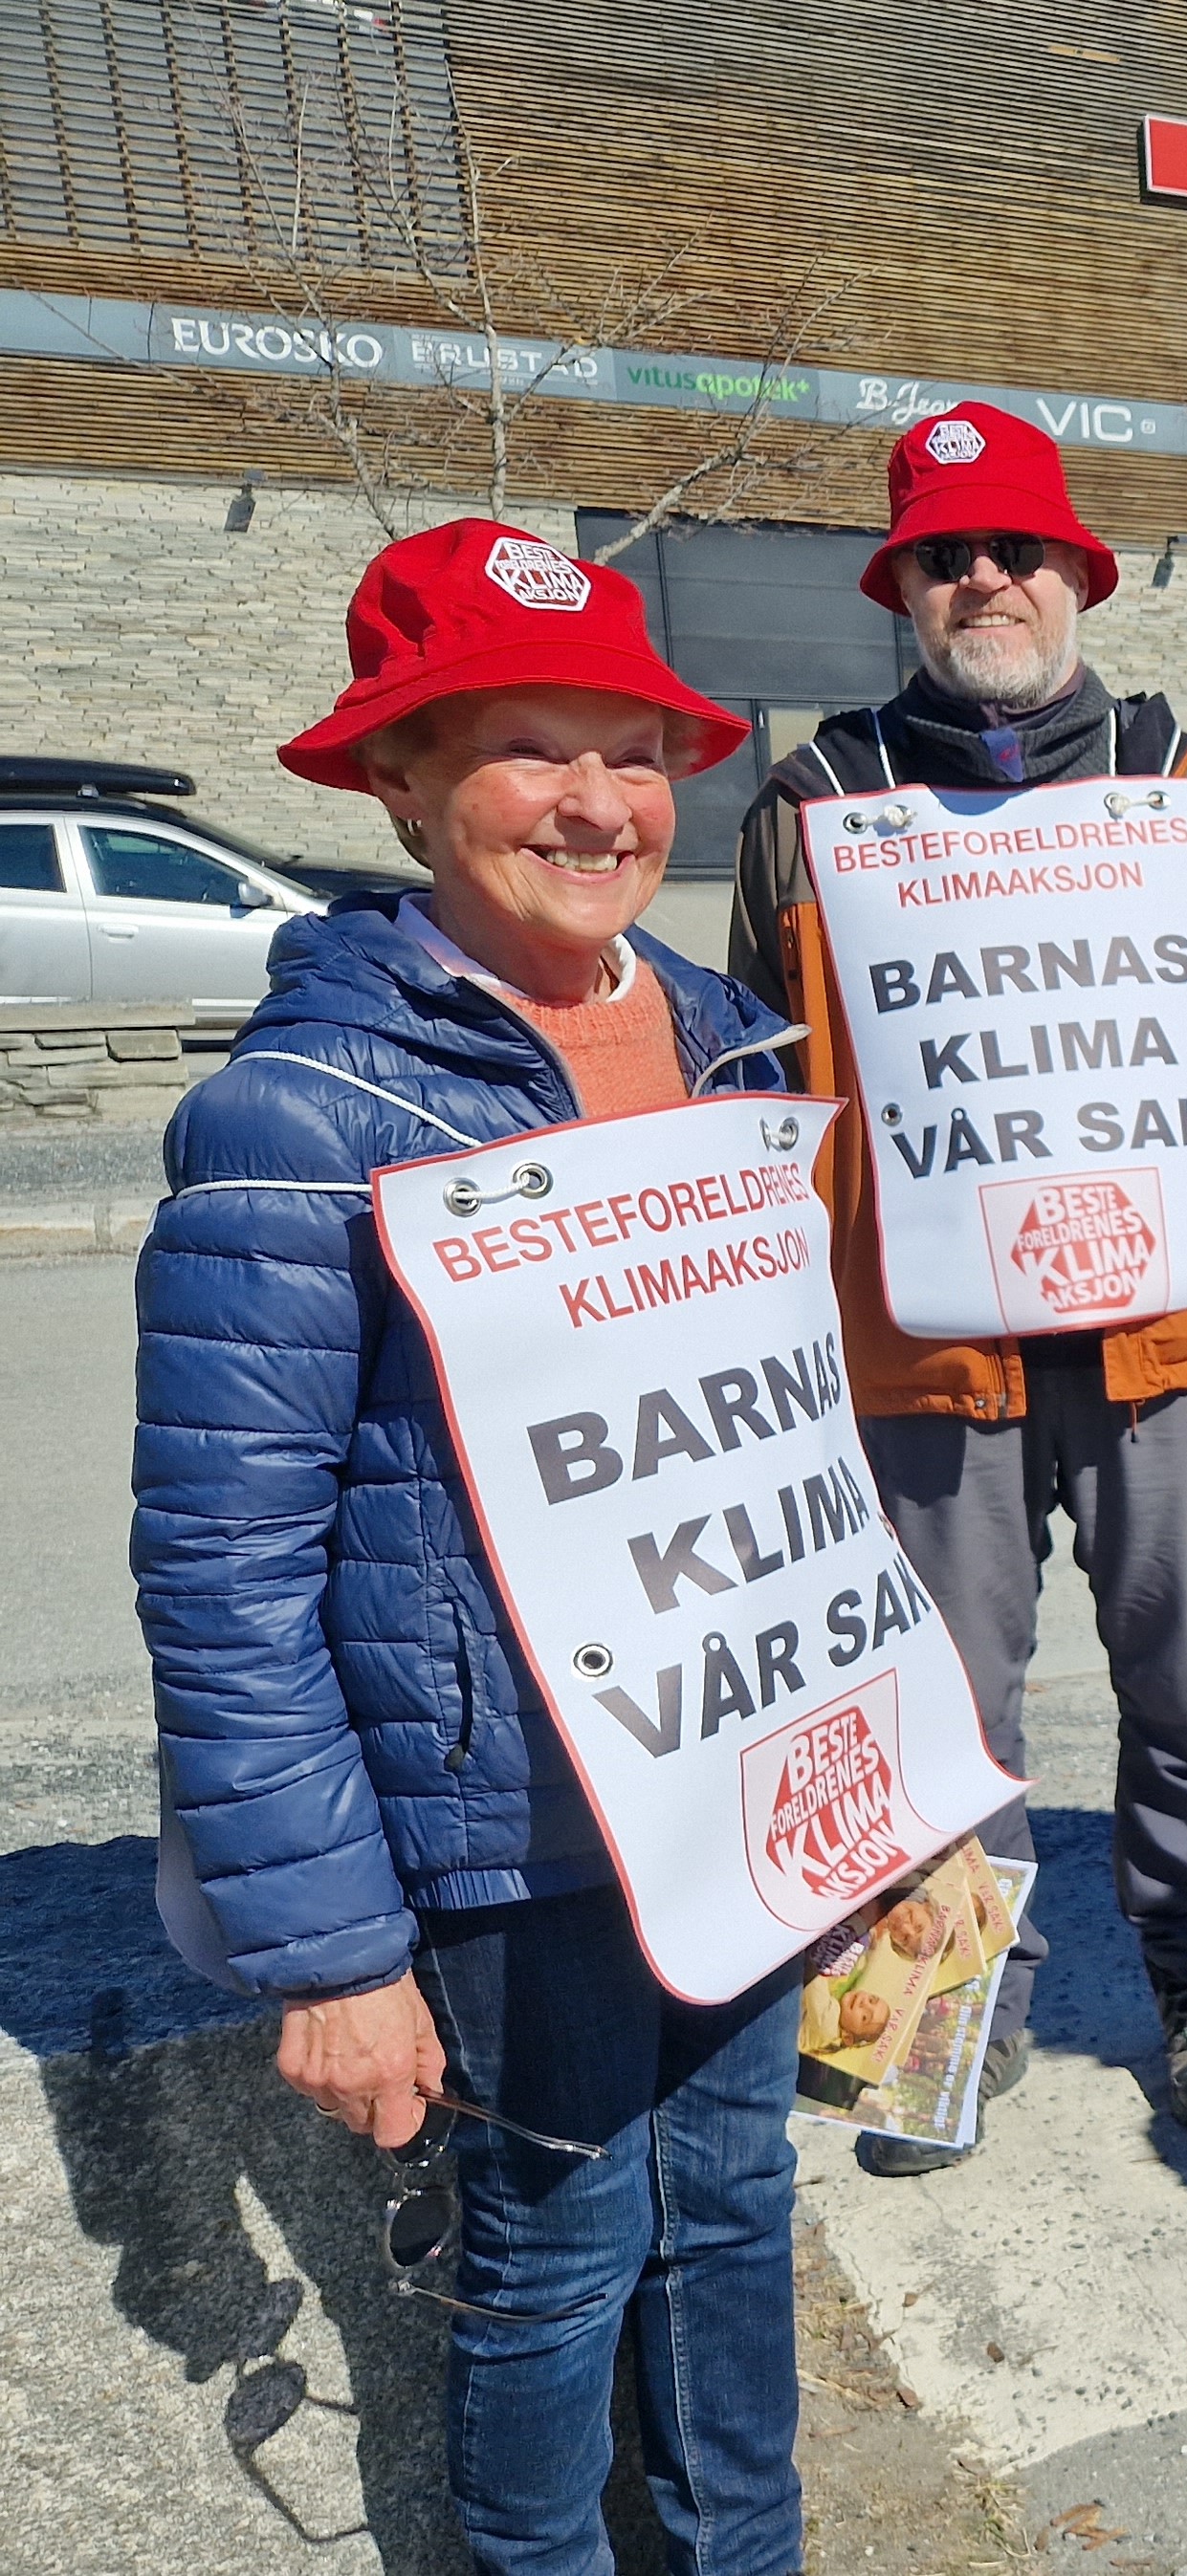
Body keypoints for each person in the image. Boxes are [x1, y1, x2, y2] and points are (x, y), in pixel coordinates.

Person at [138, 520, 805, 2568]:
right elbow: (225, 1574)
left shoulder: (727, 1049)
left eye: (632, 750)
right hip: (510, 1832)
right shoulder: (301, 1111)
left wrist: (883, 1760)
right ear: (404, 786)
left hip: (731, 1775)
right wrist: (332, 1950)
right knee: (559, 2250)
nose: (599, 804)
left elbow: (790, 1456)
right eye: (530, 750)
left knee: (737, 2217)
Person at [727, 404, 1187, 2168]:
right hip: (920, 1353)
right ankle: (960, 2017)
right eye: (947, 555)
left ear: (1075, 576)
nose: (986, 579)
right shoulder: (814, 800)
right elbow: (768, 1070)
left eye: (1017, 551)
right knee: (950, 1711)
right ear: (903, 588)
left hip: (1161, 1335)